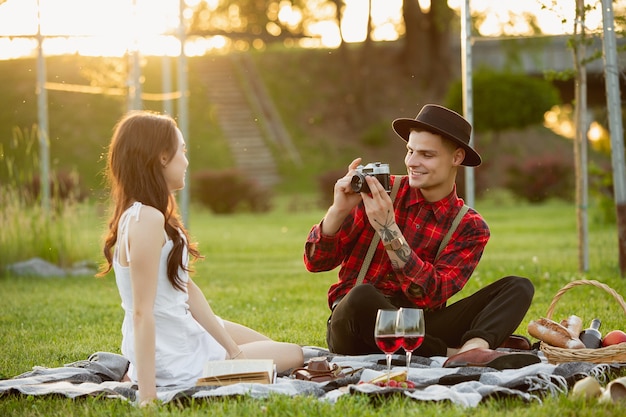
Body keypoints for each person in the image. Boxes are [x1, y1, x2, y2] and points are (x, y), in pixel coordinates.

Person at [303, 104, 538, 368]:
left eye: (426, 155)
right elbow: (316, 262)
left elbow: (429, 295)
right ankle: (450, 353)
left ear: (456, 158)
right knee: (361, 296)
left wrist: (388, 229)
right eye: (410, 151)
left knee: (517, 286)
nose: (412, 162)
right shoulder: (381, 190)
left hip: (419, 325)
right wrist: (337, 211)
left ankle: (474, 348)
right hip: (356, 325)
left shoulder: (470, 226)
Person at [99, 111, 303, 405]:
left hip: (183, 331)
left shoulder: (150, 215)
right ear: (162, 157)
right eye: (182, 150)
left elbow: (184, 288)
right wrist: (148, 397)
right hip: (178, 358)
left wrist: (233, 350)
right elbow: (141, 313)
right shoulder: (146, 219)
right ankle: (165, 376)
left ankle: (216, 364)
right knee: (292, 354)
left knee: (270, 349)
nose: (187, 160)